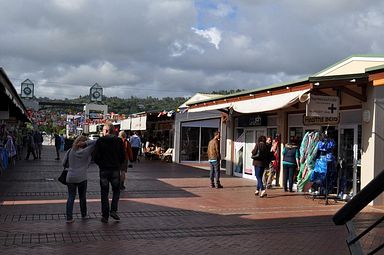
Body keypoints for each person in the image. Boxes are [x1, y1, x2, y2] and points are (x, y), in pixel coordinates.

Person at [93, 123, 125, 223]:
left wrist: (101, 164)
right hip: (115, 169)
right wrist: (118, 164)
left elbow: (95, 156)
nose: (102, 131)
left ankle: (105, 216)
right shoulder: (118, 140)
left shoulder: (100, 141)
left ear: (106, 131)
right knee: (116, 190)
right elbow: (122, 156)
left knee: (104, 193)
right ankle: (113, 210)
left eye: (103, 130)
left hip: (104, 170)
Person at [64, 135, 96, 223]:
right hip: (82, 177)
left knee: (71, 197)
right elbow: (96, 141)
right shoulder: (87, 151)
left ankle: (69, 218)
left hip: (70, 177)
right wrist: (86, 142)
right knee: (82, 197)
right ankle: (84, 215)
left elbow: (64, 163)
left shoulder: (70, 151)